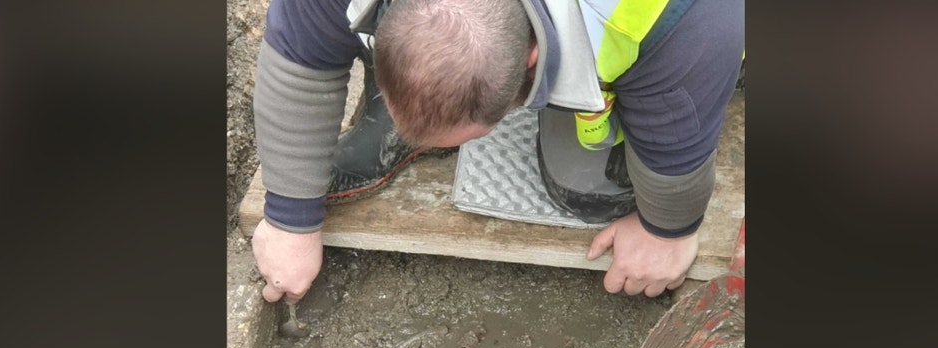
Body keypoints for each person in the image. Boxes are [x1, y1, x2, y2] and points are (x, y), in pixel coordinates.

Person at [252, 0, 744, 304]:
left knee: (586, 188)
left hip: (696, 26)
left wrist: (666, 232)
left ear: (532, 60)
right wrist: (289, 217)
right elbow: (300, 58)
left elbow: (678, 144)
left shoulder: (678, 27)